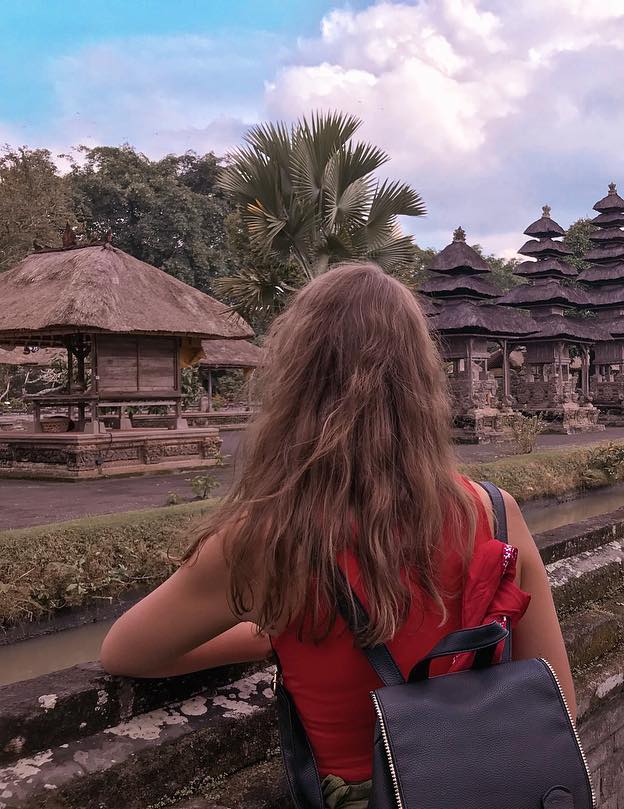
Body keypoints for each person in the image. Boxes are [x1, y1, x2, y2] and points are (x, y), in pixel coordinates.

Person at [100, 263, 573, 808]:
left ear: (295, 381)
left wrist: (282, 629)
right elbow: (556, 703)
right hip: (491, 786)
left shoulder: (268, 540)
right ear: (423, 382)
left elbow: (126, 652)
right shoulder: (494, 513)